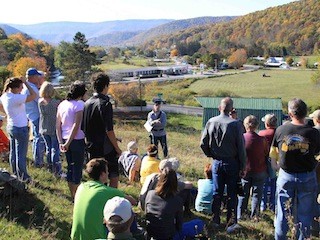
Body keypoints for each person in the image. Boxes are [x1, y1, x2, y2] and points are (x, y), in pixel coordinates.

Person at [270, 98, 320, 240]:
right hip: (308, 176)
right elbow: (317, 153)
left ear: (290, 113)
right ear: (306, 113)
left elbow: (273, 152)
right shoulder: (313, 133)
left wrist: (276, 166)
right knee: (305, 215)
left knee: (282, 213)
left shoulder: (281, 130)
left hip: (286, 175)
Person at [200, 97, 246, 233]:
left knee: (217, 192)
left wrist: (211, 154)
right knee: (232, 193)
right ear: (231, 109)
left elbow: (203, 143)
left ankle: (215, 220)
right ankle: (231, 222)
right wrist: (243, 165)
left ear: (219, 107)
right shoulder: (236, 124)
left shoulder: (211, 122)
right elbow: (241, 148)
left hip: (217, 162)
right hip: (232, 162)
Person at [71, 158, 137, 240]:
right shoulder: (108, 191)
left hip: (76, 237)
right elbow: (133, 202)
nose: (108, 173)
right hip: (96, 237)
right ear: (102, 174)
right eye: (107, 171)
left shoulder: (81, 187)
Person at [82, 72, 122, 188]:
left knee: (97, 177)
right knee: (113, 174)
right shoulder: (105, 104)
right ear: (105, 86)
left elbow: (85, 127)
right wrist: (117, 148)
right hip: (105, 148)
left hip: (91, 146)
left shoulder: (87, 103)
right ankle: (112, 198)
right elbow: (108, 130)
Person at [0, 77, 37, 182]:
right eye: (21, 87)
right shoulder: (16, 98)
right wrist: (26, 83)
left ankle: (15, 174)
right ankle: (24, 177)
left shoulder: (5, 96)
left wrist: (7, 113)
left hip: (11, 126)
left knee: (13, 152)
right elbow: (34, 95)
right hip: (21, 128)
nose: (22, 89)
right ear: (16, 88)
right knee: (21, 153)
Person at [56, 81, 86, 199]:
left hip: (63, 138)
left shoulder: (62, 104)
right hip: (76, 140)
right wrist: (68, 142)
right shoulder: (79, 105)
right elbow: (76, 125)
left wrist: (61, 142)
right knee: (77, 168)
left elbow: (57, 125)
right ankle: (76, 196)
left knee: (70, 167)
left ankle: (72, 193)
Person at [237, 115, 269, 220]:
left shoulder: (241, 138)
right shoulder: (262, 140)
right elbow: (266, 153)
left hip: (244, 170)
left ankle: (240, 214)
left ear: (245, 126)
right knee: (257, 194)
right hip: (259, 170)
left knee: (243, 194)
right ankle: (255, 215)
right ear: (256, 126)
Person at [145, 168, 183, 239]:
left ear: (160, 179)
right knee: (198, 222)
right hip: (167, 235)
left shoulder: (150, 194)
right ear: (175, 183)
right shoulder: (177, 200)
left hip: (150, 232)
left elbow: (146, 213)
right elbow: (179, 224)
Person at [21, 68, 45, 168]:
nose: (39, 78)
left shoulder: (25, 87)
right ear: (33, 77)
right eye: (37, 76)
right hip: (36, 115)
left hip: (31, 115)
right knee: (38, 138)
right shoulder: (31, 89)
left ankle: (38, 160)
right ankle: (38, 161)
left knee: (36, 138)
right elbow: (40, 101)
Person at [39, 81, 62, 176]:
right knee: (55, 149)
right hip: (53, 128)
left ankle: (50, 167)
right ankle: (56, 168)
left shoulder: (40, 102)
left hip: (43, 127)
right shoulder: (56, 103)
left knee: (48, 148)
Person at [259, 113, 278, 212]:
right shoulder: (278, 132)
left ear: (267, 123)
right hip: (276, 160)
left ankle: (263, 204)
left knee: (264, 182)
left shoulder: (262, 133)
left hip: (263, 160)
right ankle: (273, 204)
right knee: (274, 181)